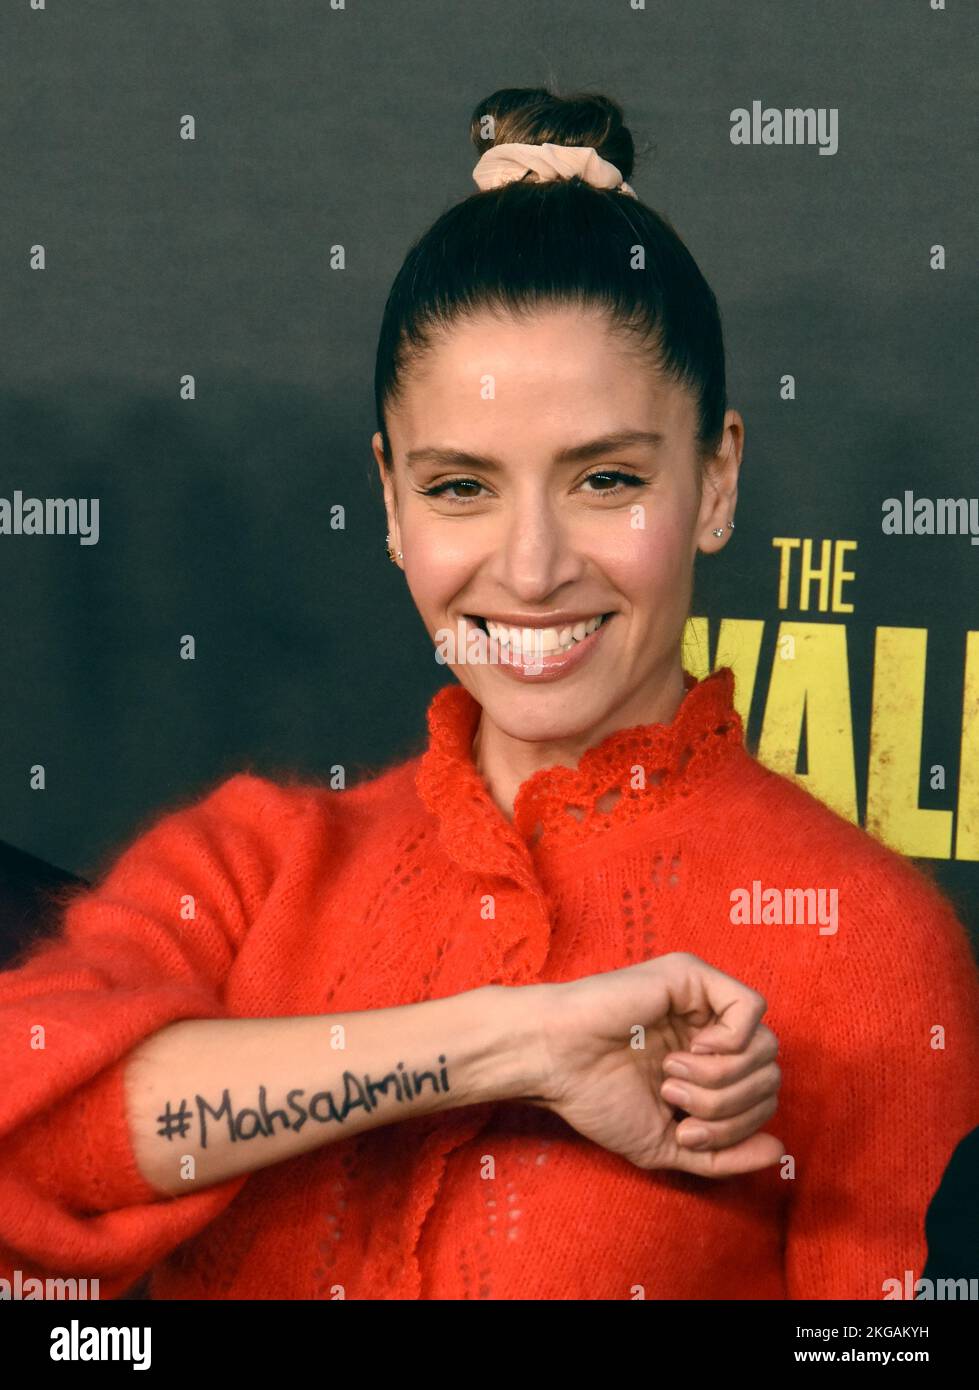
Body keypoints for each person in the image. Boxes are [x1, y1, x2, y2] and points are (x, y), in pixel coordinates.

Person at [1, 86, 976, 1303]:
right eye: (461, 487)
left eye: (606, 477)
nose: (529, 568)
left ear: (717, 481)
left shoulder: (864, 944)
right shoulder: (248, 869)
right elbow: (25, 1134)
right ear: (391, 502)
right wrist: (510, 1044)